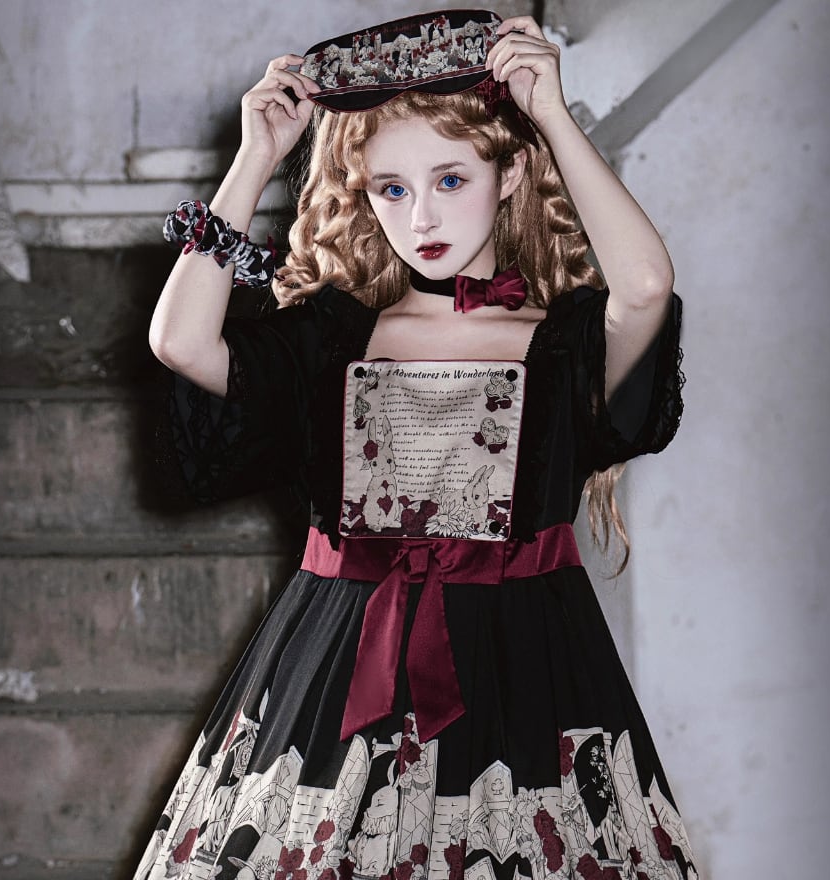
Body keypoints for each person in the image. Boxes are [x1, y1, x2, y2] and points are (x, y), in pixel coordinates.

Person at [136, 9, 696, 880]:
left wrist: (550, 115)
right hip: (338, 660)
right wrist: (256, 158)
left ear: (511, 173)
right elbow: (179, 342)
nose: (421, 214)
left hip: (525, 669)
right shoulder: (333, 339)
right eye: (391, 189)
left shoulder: (562, 346)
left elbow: (649, 283)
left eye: (450, 178)